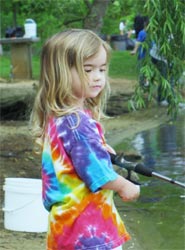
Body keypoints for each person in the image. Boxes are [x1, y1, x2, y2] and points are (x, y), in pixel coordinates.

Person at [30, 29, 140, 250]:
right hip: (88, 231)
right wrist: (126, 186)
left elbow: (74, 158)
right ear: (60, 72)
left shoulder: (60, 117)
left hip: (67, 227)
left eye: (102, 69)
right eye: (87, 69)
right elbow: (97, 172)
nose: (98, 76)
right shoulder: (76, 122)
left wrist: (99, 148)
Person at [130, 16, 149, 87]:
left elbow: (138, 42)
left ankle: (145, 82)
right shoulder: (147, 33)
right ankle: (145, 82)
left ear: (144, 24)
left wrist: (134, 51)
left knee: (144, 67)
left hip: (145, 54)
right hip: (147, 54)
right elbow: (138, 42)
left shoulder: (143, 33)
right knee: (145, 67)